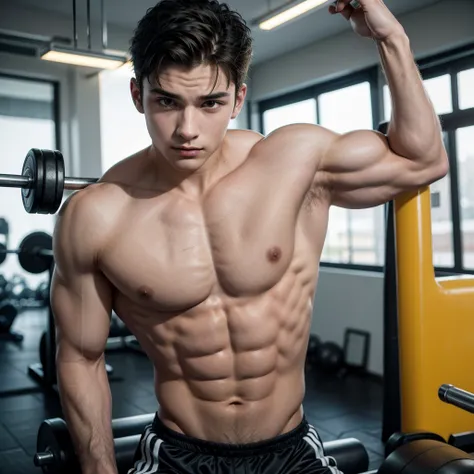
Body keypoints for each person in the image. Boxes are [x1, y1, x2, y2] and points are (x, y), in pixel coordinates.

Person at [50, 0, 448, 473]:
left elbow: (424, 161)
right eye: (167, 102)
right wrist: (98, 468)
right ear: (138, 95)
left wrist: (391, 39)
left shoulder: (295, 162)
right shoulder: (96, 215)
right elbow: (80, 357)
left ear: (238, 98)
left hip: (293, 449)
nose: (186, 130)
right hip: (178, 454)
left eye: (211, 103)